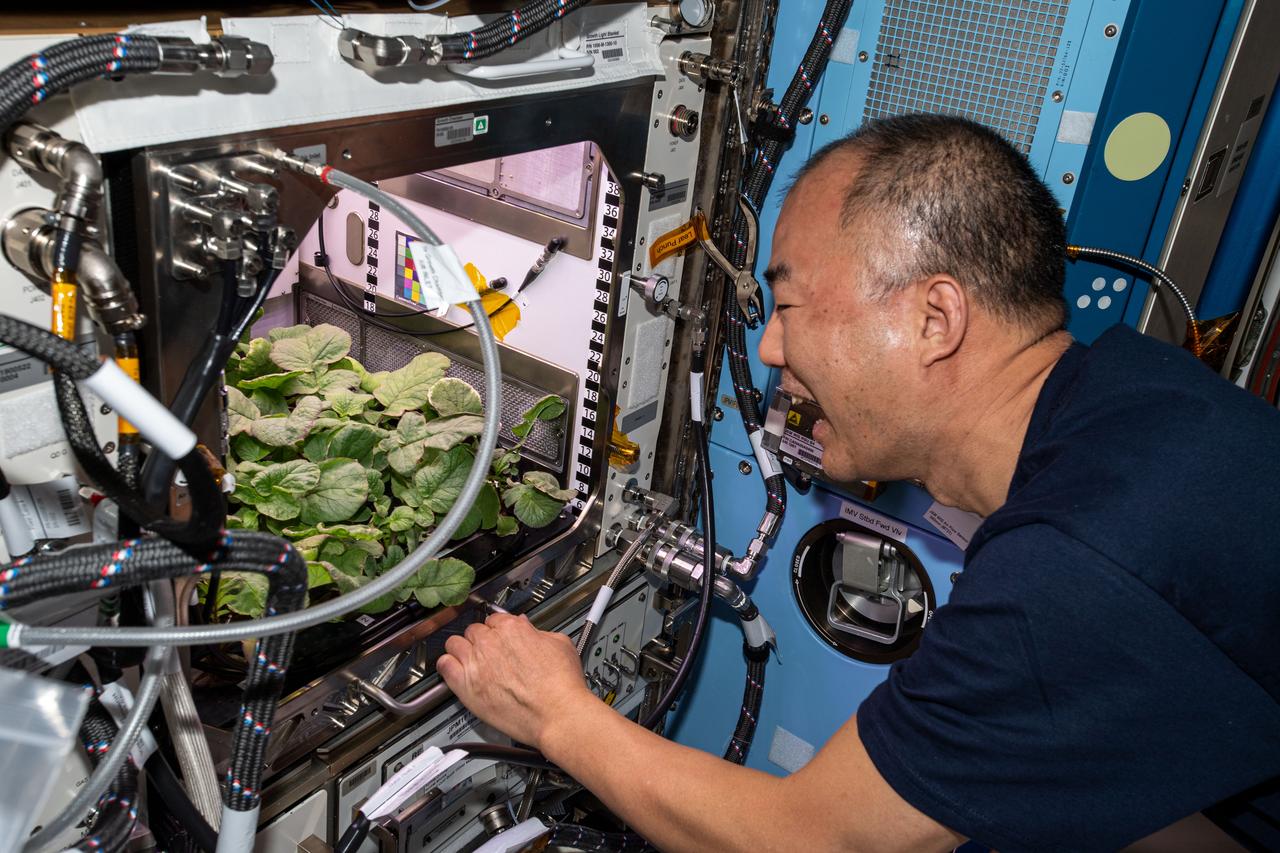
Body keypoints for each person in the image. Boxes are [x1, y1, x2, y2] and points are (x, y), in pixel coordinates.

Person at [437, 114, 1280, 851]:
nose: (769, 349)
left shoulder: (1069, 570)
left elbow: (813, 838)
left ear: (934, 318)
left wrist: (554, 711)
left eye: (789, 306)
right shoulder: (1140, 390)